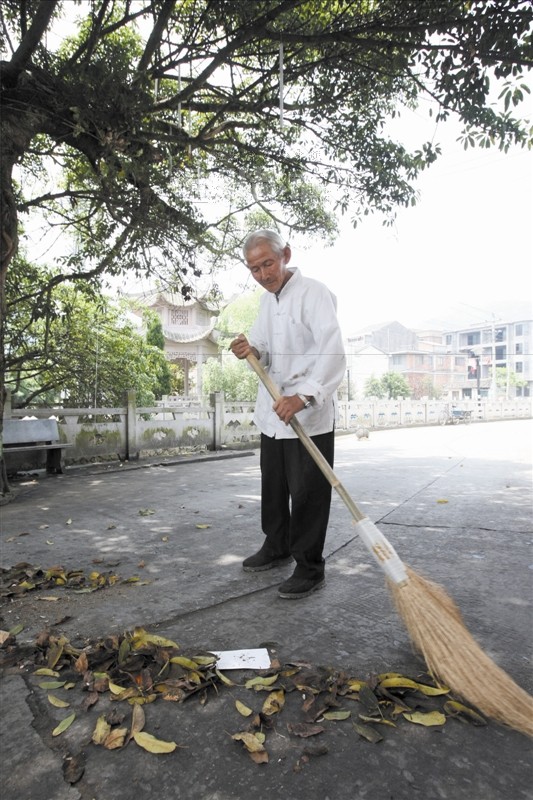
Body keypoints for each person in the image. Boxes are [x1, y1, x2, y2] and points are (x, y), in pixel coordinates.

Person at [230, 229, 346, 599]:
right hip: (274, 411)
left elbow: (333, 352)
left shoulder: (315, 294)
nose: (263, 274)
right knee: (274, 486)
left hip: (307, 413)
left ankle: (310, 567)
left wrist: (303, 396)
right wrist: (250, 350)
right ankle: (276, 545)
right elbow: (264, 347)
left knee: (308, 492)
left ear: (286, 255)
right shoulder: (267, 302)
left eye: (268, 263)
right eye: (254, 269)